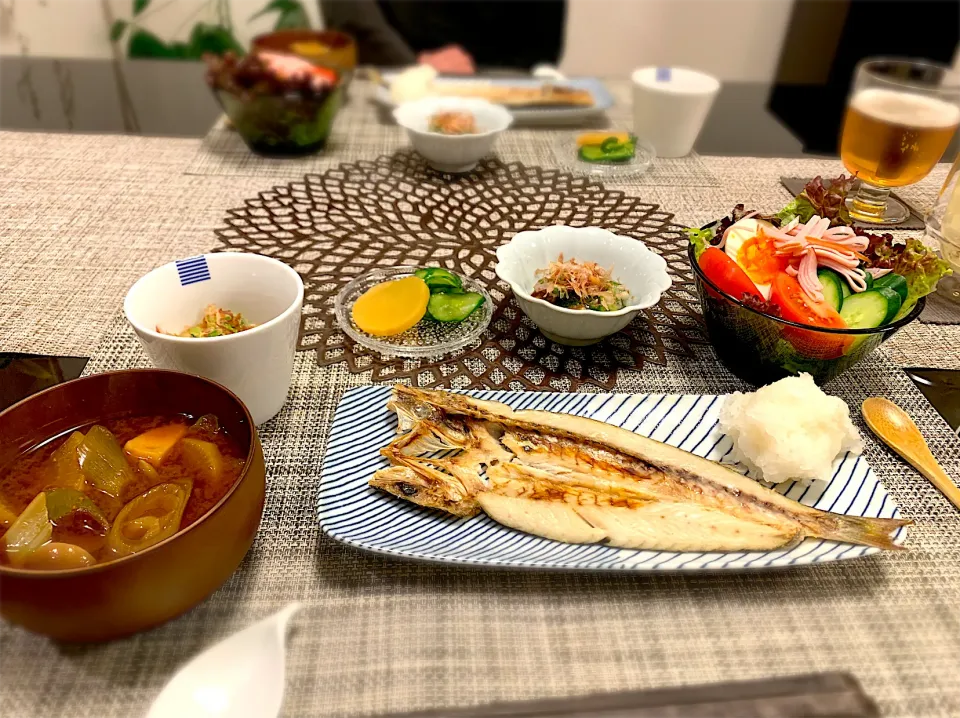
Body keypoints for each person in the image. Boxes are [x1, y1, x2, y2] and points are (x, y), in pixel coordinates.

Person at [319, 0, 567, 73]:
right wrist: (411, 65)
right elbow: (350, 13)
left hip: (505, 76)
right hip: (393, 76)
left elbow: (542, 51)